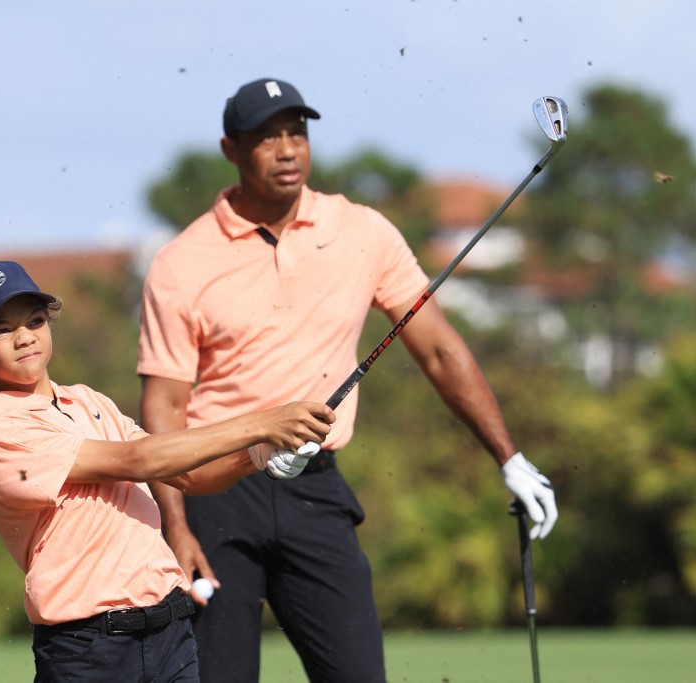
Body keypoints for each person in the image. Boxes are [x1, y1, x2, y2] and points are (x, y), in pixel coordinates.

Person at [137, 78, 559, 682]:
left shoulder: (362, 231)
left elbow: (438, 350)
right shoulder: (182, 262)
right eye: (266, 137)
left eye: (296, 133)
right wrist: (173, 526)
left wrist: (508, 456)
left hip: (316, 490)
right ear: (232, 150)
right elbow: (165, 405)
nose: (287, 149)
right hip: (216, 494)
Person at [0, 260, 335, 683]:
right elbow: (138, 460)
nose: (25, 337)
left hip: (171, 633)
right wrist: (262, 423)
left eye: (35, 321)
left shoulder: (86, 400)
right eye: (1, 330)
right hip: (88, 650)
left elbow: (185, 476)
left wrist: (258, 455)